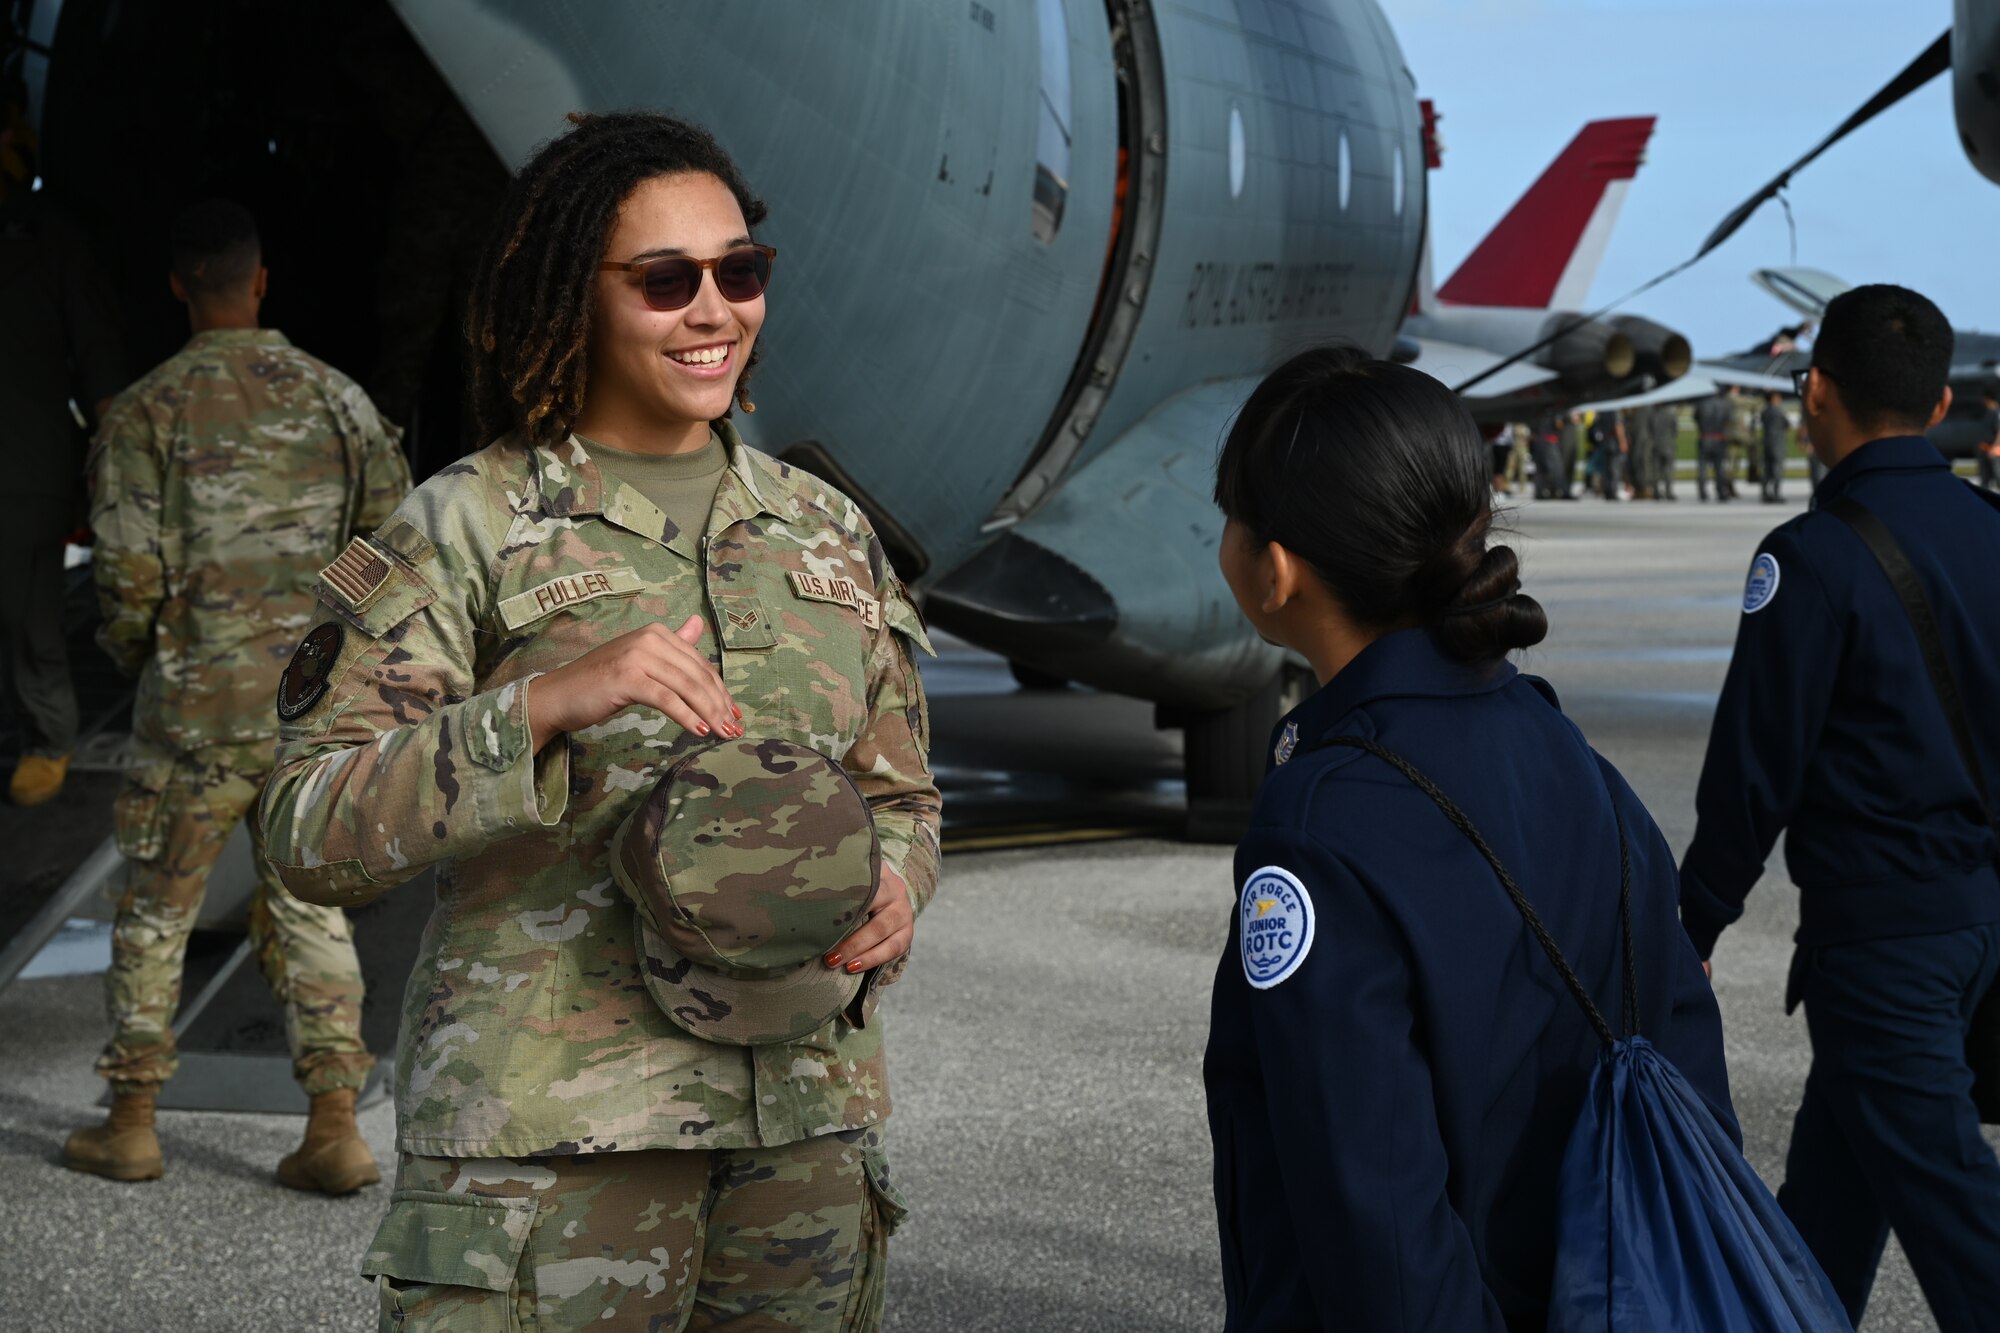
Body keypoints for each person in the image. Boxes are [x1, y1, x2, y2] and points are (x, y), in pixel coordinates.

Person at [255, 111, 939, 1329]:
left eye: (741, 272)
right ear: (573, 295)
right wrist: (541, 708)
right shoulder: (460, 529)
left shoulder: (824, 530)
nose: (715, 310)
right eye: (666, 281)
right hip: (553, 1146)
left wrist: (895, 879)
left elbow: (899, 794)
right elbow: (305, 828)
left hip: (804, 1135)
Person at [1203, 346, 1735, 1331]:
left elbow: (1377, 1212)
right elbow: (1684, 1066)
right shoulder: (1573, 759)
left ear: (1273, 569)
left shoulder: (1321, 820)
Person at [63, 199, 408, 1191]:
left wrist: (154, 657)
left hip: (193, 710)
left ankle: (131, 1122)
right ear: (262, 282)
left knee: (156, 907)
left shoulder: (141, 412)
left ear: (178, 286)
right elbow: (395, 556)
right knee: (305, 905)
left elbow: (125, 578)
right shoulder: (340, 402)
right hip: (307, 708)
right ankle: (335, 1127)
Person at [1680, 284, 2000, 1331]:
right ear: (1940, 398)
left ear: (1813, 390)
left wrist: (1693, 919)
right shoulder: (1985, 528)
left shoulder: (1809, 559)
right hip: (1974, 927)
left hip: (1883, 944)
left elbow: (1751, 769)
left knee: (1958, 1217)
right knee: (1825, 1205)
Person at [0, 92, 123, 805]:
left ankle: (49, 734)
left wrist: (111, 471)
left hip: (24, 462)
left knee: (27, 612)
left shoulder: (46, 236)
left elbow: (98, 355)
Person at [1694, 390, 1735, 502]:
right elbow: (1728, 420)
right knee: (1719, 468)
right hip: (1719, 437)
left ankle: (1702, 492)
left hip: (1705, 436)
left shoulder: (1701, 404)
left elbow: (1696, 418)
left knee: (1702, 467)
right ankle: (1720, 491)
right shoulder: (1724, 404)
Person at [1760, 389, 1792, 503]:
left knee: (1767, 469)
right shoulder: (1778, 411)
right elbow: (1787, 424)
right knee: (1777, 468)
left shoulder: (1765, 411)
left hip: (1767, 441)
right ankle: (1776, 493)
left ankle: (1764, 492)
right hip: (1777, 442)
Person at [1651, 401, 1680, 500]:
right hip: (1668, 444)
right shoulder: (1670, 414)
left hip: (1656, 444)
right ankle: (1668, 492)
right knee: (1668, 469)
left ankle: (1656, 491)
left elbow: (1650, 428)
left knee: (1656, 470)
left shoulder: (1654, 414)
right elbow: (1675, 429)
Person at [1976, 386, 1999, 491]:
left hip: (1993, 450)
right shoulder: (1987, 412)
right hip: (1985, 449)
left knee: (1998, 477)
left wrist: (1994, 448)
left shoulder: (1996, 412)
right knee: (1985, 479)